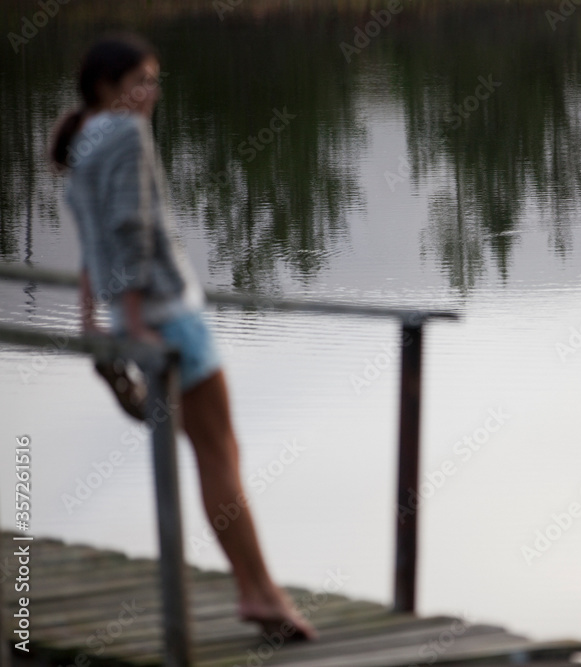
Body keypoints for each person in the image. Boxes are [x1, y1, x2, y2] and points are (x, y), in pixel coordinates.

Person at [49, 33, 317, 641]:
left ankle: (257, 589)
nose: (149, 93)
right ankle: (261, 594)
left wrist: (98, 320)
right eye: (136, 82)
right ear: (104, 90)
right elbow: (131, 228)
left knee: (209, 455)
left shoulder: (84, 142)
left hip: (138, 316)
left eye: (153, 79)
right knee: (221, 459)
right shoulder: (125, 135)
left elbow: (92, 245)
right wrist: (141, 318)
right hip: (170, 317)